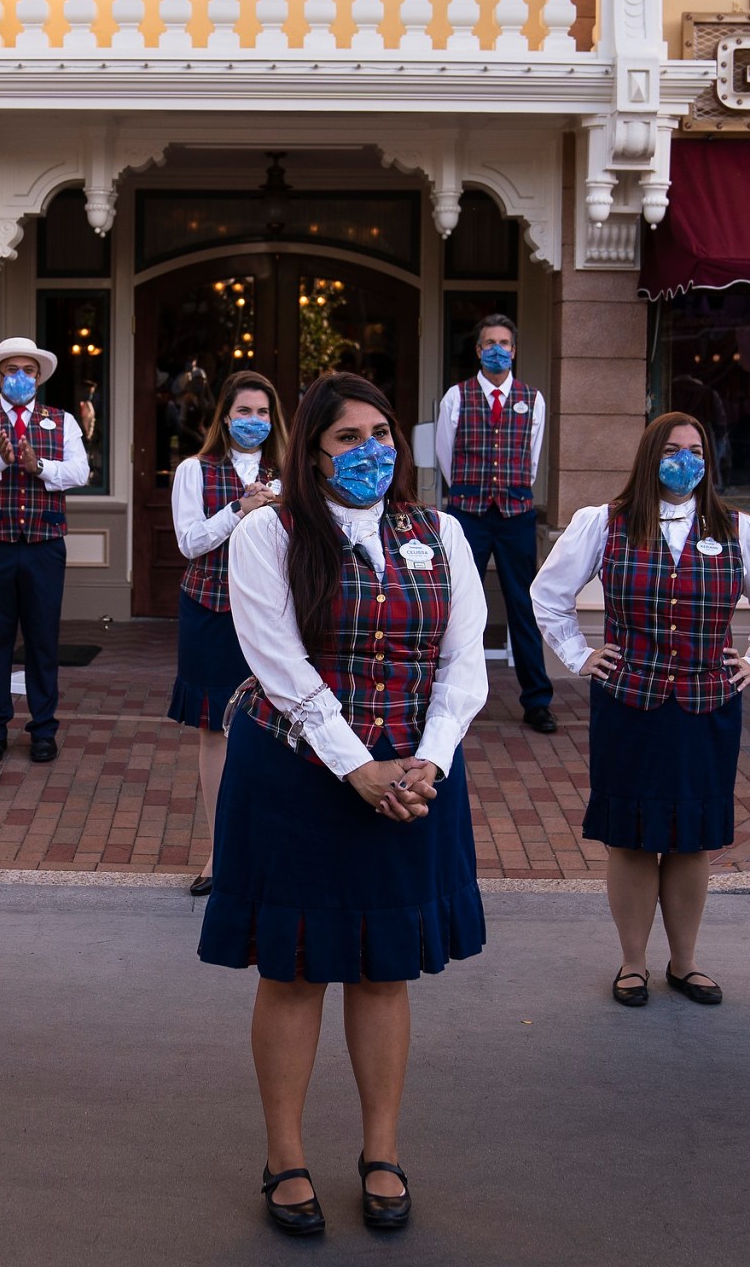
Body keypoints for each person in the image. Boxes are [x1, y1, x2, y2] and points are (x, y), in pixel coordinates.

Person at [197, 372, 488, 1237]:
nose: (372, 452)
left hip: (412, 777)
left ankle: (381, 1150)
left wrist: (426, 764)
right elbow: (280, 665)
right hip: (297, 775)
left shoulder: (442, 532)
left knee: (383, 967)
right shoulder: (267, 533)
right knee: (292, 970)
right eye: (348, 439)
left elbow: (463, 661)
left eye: (383, 434)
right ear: (314, 451)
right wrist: (360, 768)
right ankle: (285, 1156)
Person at [532, 413, 750, 1008]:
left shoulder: (738, 529)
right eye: (673, 449)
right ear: (650, 456)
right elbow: (547, 595)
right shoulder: (603, 524)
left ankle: (685, 962)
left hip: (706, 705)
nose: (685, 459)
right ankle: (632, 963)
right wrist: (578, 654)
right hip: (631, 703)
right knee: (630, 838)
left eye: (696, 450)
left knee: (691, 839)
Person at [169, 370, 285, 897]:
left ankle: (267, 845)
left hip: (271, 615)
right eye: (244, 412)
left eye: (262, 413)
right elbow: (190, 543)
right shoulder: (195, 470)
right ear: (224, 416)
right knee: (214, 731)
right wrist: (241, 507)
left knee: (274, 731)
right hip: (210, 614)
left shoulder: (291, 472)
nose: (253, 422)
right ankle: (220, 851)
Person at [0, 336, 91, 764]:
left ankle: (43, 730)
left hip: (44, 547)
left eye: (27, 371)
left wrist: (39, 466)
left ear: (38, 377)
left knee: (42, 641)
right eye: (11, 370)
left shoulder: (61, 420)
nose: (19, 378)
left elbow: (81, 472)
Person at [435, 314, 557, 733]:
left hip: (515, 515)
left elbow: (533, 457)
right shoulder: (457, 396)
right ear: (477, 350)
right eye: (489, 342)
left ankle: (537, 700)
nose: (497, 349)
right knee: (456, 604)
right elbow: (446, 458)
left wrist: (508, 489)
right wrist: (472, 492)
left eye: (504, 342)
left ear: (515, 350)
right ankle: (441, 696)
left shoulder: (532, 399)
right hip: (468, 513)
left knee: (522, 605)